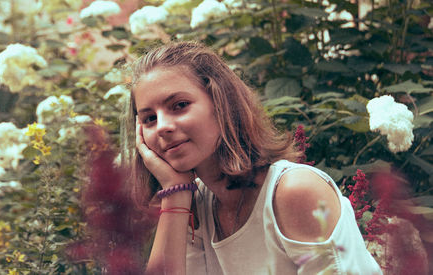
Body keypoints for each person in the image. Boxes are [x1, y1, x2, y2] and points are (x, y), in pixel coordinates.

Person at [122, 41, 382, 274]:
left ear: (221, 103)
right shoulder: (199, 202)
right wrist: (175, 193)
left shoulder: (293, 191)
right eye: (149, 119)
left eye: (179, 105)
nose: (162, 126)